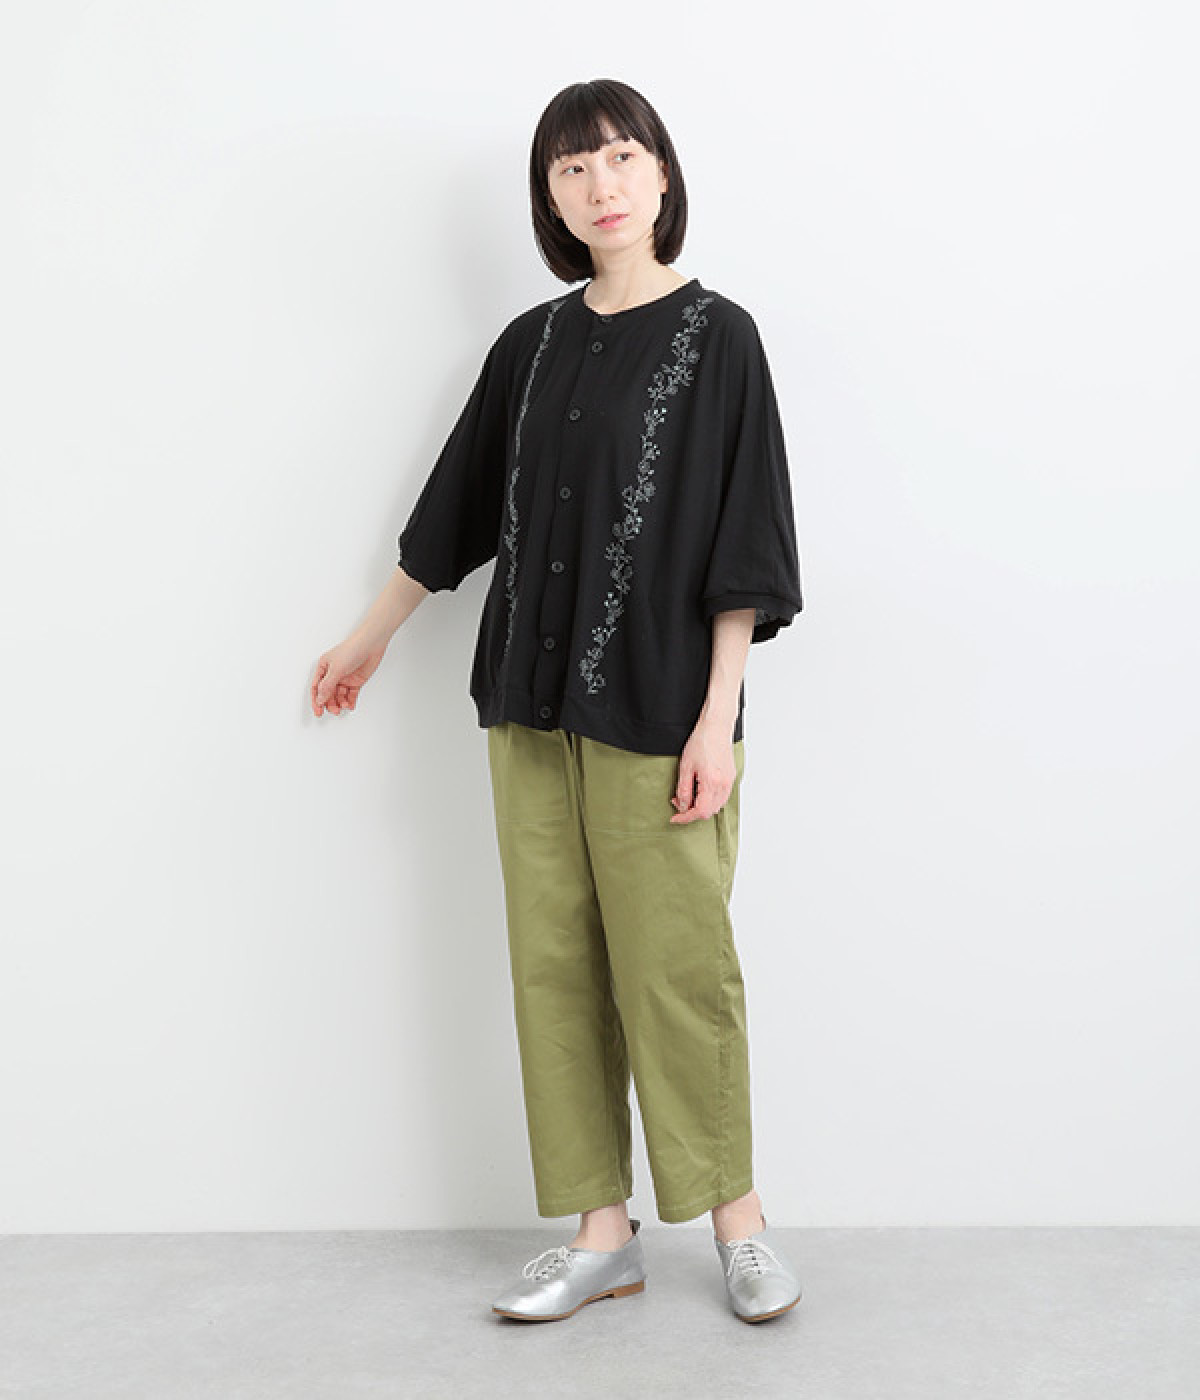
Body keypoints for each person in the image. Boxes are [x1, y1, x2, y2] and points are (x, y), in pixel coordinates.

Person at [310, 79, 805, 1324]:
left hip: (661, 710)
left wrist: (718, 717)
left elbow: (746, 542)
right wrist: (368, 637)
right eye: (573, 169)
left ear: (663, 173)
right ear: (551, 198)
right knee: (554, 966)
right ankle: (601, 1232)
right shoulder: (528, 347)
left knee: (678, 967)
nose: (602, 185)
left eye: (621, 157)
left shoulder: (722, 339)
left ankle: (739, 1222)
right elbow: (456, 511)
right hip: (529, 708)